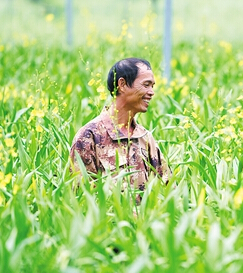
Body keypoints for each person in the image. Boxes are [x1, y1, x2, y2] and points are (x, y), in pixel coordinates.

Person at [70, 58, 171, 198]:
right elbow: (80, 196)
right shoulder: (89, 136)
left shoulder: (145, 137)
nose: (152, 92)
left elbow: (169, 188)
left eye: (152, 86)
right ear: (122, 84)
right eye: (146, 85)